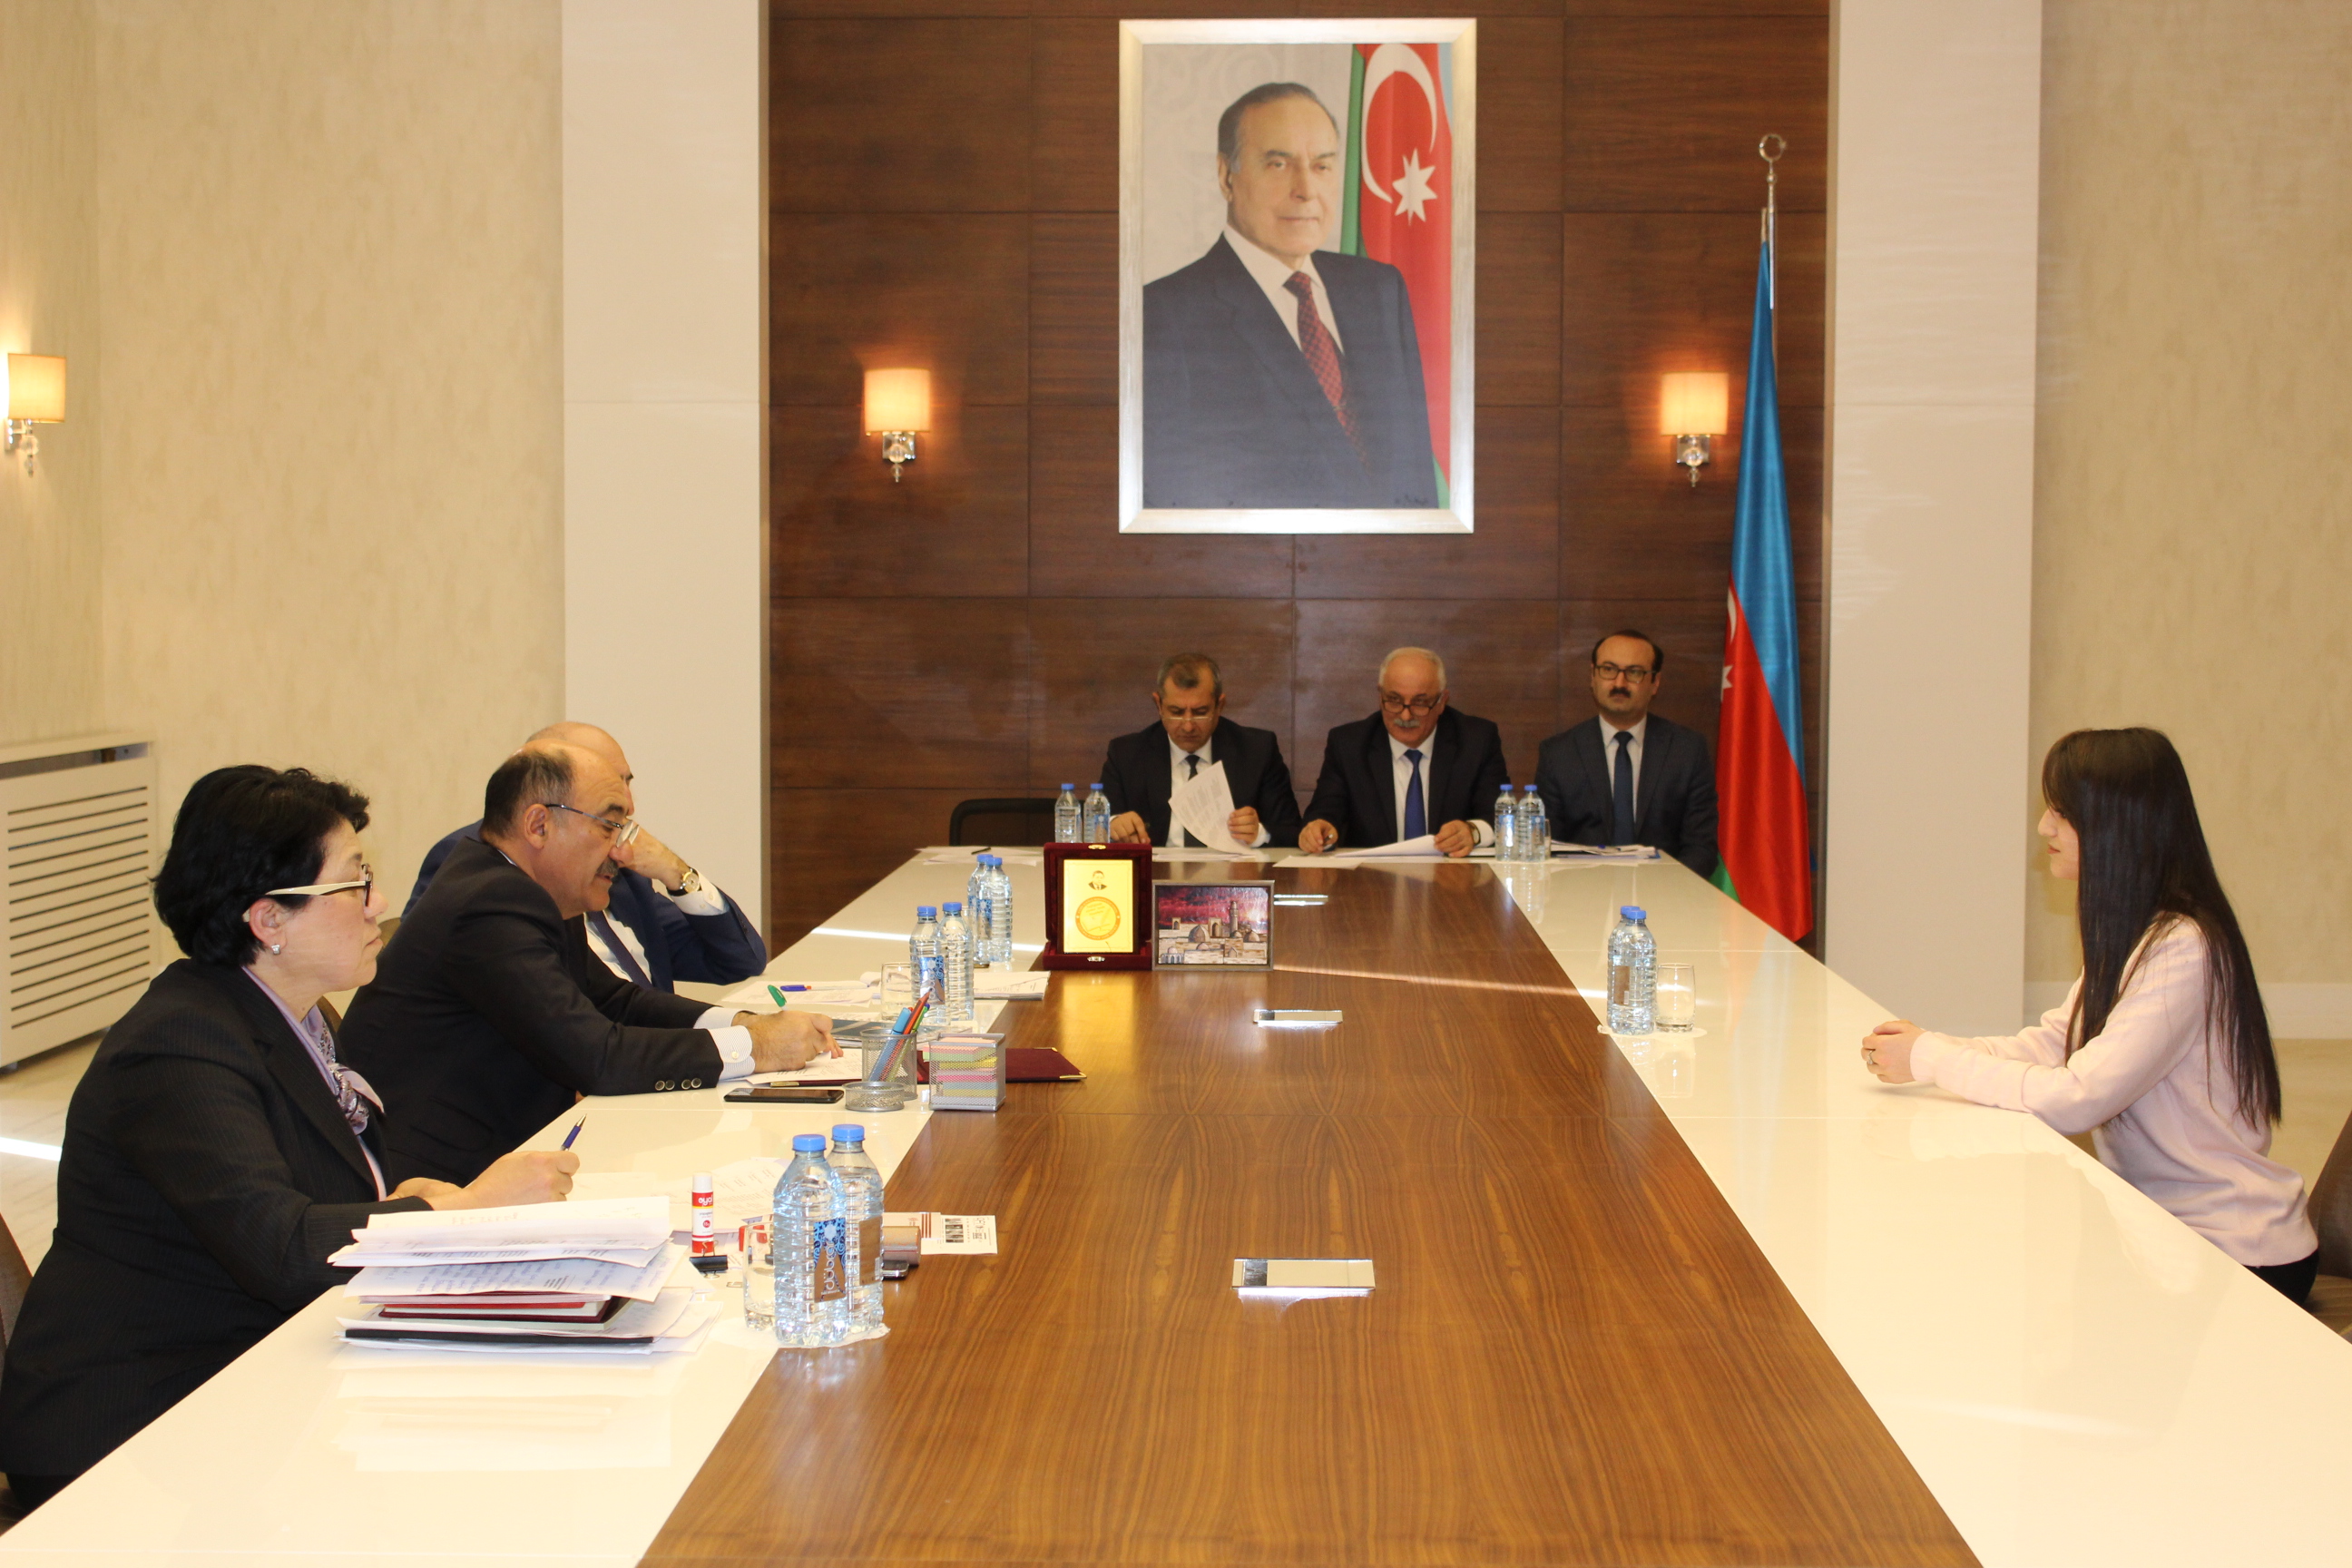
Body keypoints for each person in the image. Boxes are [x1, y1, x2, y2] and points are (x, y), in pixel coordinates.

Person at [0, 767, 577, 1508]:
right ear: (268, 920)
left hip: (253, 1376)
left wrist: (401, 1201)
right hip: (135, 1429)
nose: (379, 905)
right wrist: (461, 1210)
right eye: (354, 884)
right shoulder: (178, 1046)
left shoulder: (295, 1017)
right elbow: (281, 1249)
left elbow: (307, 1201)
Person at [1859, 728, 2318, 1302]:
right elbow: (2056, 1044)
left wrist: (1931, 1057)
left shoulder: (2183, 947)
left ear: (2116, 825)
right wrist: (1932, 1048)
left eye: (2061, 812)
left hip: (2236, 1254)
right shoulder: (2140, 931)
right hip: (2164, 1240)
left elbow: (2079, 1097)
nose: (2043, 827)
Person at [342, 745, 838, 1185]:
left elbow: (612, 1000)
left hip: (508, 1151)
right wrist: (757, 1046)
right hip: (439, 1179)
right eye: (609, 825)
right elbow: (597, 1059)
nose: (622, 851)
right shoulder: (489, 902)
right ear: (539, 825)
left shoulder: (527, 888)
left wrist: (744, 1024)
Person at [1143, 83, 1436, 510]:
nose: (1306, 189)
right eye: (1278, 164)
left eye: (1322, 166)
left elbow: (1416, 478)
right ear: (1227, 177)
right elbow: (1170, 506)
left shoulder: (1379, 291)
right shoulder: (1164, 316)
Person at [407, 721, 766, 994]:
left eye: (626, 782)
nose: (629, 805)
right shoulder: (477, 860)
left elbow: (740, 960)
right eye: (608, 782)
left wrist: (676, 871)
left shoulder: (618, 868)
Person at [1535, 631, 1720, 876]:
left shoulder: (1687, 750)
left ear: (1655, 683)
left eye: (1634, 672)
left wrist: (1667, 890)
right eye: (1608, 669)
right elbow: (1548, 847)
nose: (1619, 684)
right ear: (1593, 676)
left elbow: (1701, 847)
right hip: (1583, 890)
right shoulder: (1558, 754)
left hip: (1665, 890)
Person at [1298, 647, 1509, 858]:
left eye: (1420, 703)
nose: (1406, 716)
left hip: (1453, 873)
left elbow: (1500, 816)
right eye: (1394, 700)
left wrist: (1473, 832)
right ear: (1380, 696)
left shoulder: (1476, 741)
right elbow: (1326, 811)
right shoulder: (1349, 745)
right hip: (1372, 874)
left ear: (1442, 701)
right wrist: (1321, 830)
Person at [1098, 652, 1304, 849]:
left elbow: (1292, 831)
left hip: (1233, 872)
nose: (1188, 726)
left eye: (1200, 712)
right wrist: (1114, 824)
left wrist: (1259, 834)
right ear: (1158, 705)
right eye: (1176, 712)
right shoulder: (1127, 754)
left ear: (1219, 705)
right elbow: (1099, 824)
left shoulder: (1256, 750)